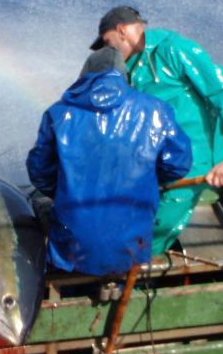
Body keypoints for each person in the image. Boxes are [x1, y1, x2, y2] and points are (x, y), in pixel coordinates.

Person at [90, 6, 223, 254]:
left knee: (154, 228)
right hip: (152, 162)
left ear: (122, 30)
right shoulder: (126, 69)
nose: (106, 50)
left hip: (191, 163)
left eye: (107, 42)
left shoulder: (174, 49)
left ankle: (134, 266)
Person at [26, 69, 192, 275]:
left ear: (84, 78)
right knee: (124, 261)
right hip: (132, 244)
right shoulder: (158, 110)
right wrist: (146, 181)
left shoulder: (59, 113)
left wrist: (65, 192)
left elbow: (39, 171)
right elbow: (178, 164)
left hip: (72, 245)